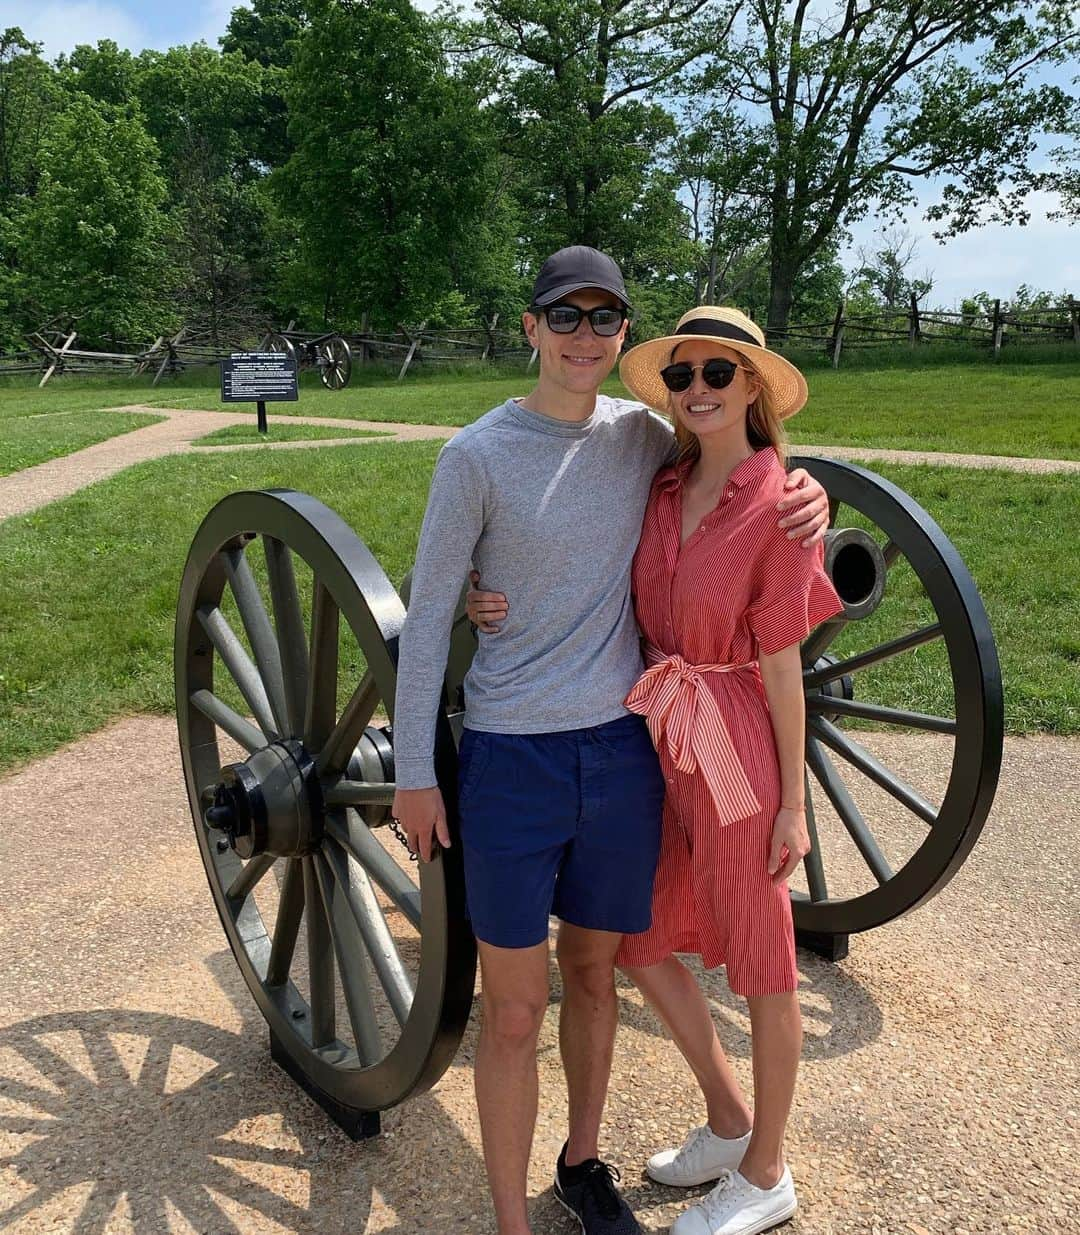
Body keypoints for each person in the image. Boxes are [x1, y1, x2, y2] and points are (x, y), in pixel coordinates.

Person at [391, 248, 829, 1235]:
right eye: (566, 314)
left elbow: (752, 481)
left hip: (625, 754)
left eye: (606, 317)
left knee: (599, 968)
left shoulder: (641, 439)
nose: (587, 334)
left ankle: (588, 1162)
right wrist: (416, 766)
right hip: (512, 757)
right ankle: (512, 1218)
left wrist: (810, 498)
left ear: (623, 333)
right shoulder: (477, 454)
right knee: (513, 1008)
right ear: (532, 327)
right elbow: (427, 615)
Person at [613, 306, 843, 1235]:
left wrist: (793, 804)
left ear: (752, 385)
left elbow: (784, 663)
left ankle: (768, 1170)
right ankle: (727, 1114)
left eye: (718, 373)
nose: (698, 389)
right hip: (664, 732)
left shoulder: (779, 505)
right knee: (639, 933)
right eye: (683, 375)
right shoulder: (661, 489)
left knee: (762, 961)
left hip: (736, 735)